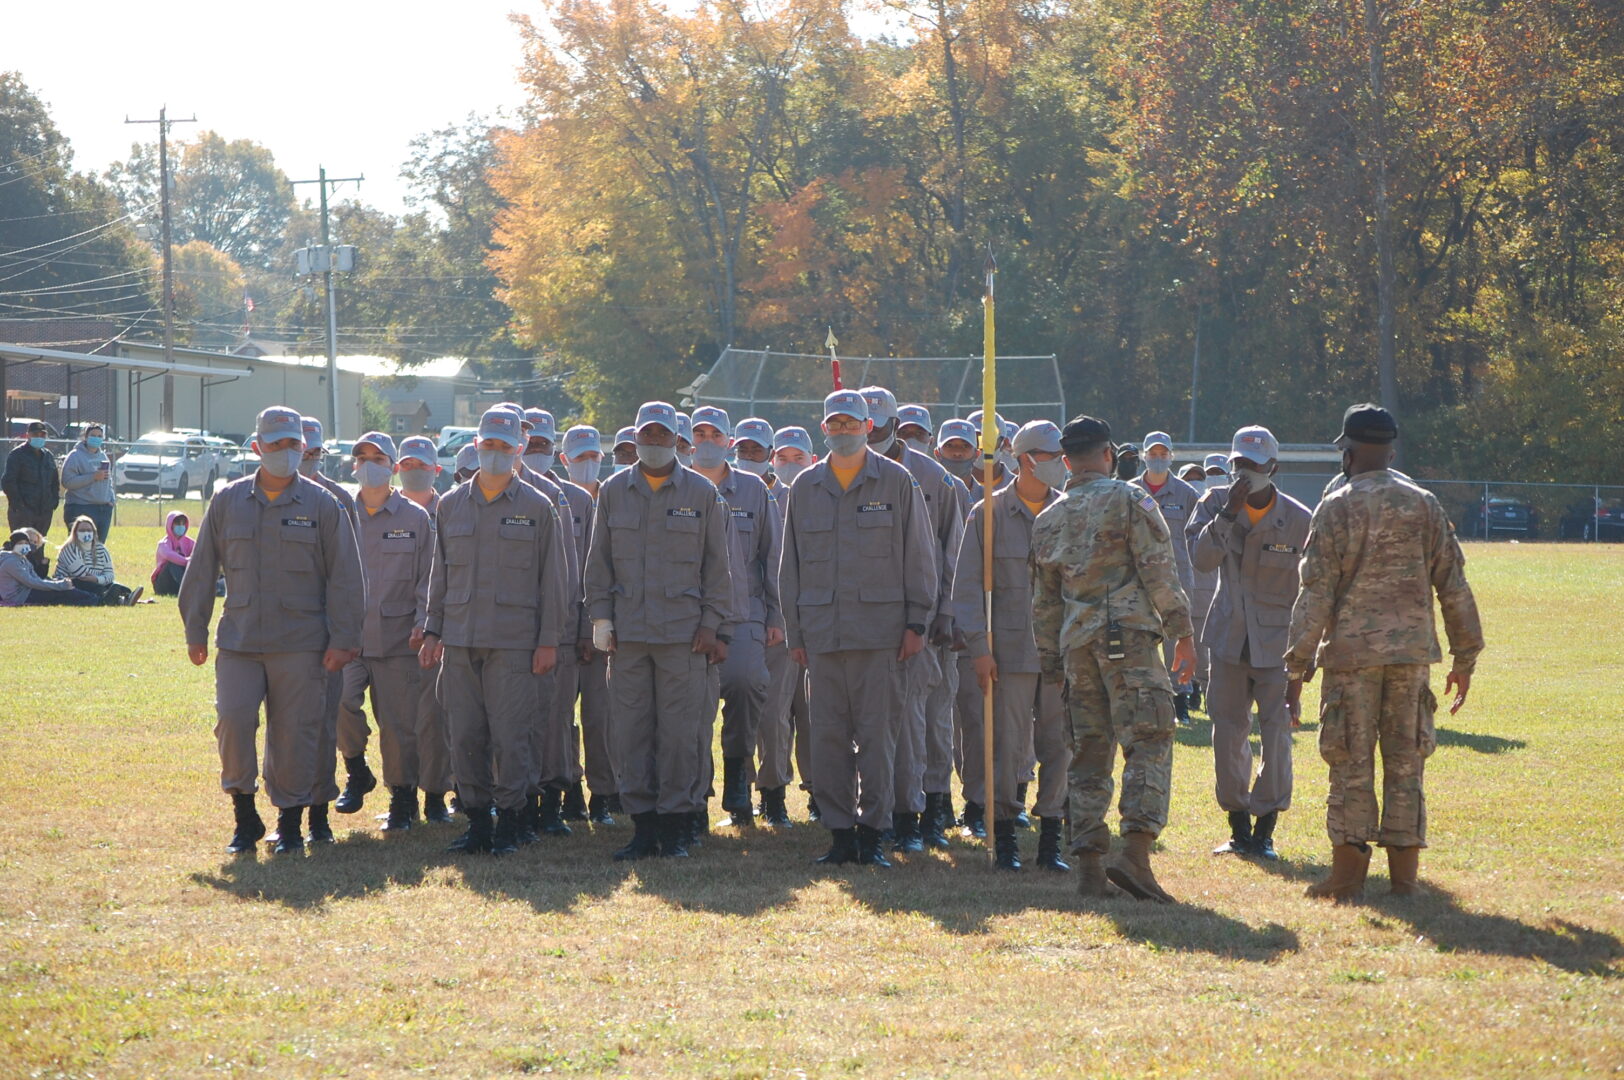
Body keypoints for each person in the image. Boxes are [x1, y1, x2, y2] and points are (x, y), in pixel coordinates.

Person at [1289, 404, 1484, 900]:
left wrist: (1297, 667)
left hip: (1352, 658)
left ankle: (1347, 879)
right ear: (1391, 451)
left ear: (1349, 454)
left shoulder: (1335, 506)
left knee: (1351, 761)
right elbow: (1454, 584)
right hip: (1411, 656)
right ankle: (1405, 882)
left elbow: (1316, 592)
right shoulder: (1424, 504)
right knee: (1406, 764)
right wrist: (1465, 657)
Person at [179, 406, 365, 856]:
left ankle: (290, 820)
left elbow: (346, 578)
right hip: (240, 640)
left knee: (294, 733)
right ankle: (245, 816)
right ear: (258, 446)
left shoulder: (324, 505)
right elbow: (201, 569)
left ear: (303, 447)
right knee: (233, 722)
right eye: (275, 443)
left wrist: (344, 640)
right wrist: (195, 630)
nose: (285, 452)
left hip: (302, 645)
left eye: (293, 444)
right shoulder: (227, 500)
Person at [1031, 415, 1195, 902]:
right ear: (1108, 455)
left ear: (1065, 462)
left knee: (1087, 753)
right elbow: (1158, 569)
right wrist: (1183, 632)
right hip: (1129, 640)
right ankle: (1136, 855)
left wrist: (1051, 662)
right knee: (1149, 739)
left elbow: (1044, 601)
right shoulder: (1129, 499)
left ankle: (1088, 869)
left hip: (1075, 644)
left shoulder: (1047, 518)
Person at [779, 389, 936, 868]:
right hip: (823, 638)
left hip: (881, 636)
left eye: (852, 423)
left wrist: (916, 623)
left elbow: (920, 558)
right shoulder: (805, 486)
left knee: (878, 739)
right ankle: (840, 835)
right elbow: (791, 568)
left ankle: (873, 835)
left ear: (870, 427)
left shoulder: (896, 481)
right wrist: (796, 635)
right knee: (826, 740)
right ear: (823, 428)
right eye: (835, 423)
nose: (843, 431)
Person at [583, 401, 734, 860]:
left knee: (681, 734)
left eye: (662, 435)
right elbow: (599, 562)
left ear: (678, 441)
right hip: (628, 637)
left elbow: (718, 568)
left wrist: (712, 625)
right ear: (634, 438)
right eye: (646, 435)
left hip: (683, 638)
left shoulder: (702, 494)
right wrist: (601, 619)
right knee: (631, 731)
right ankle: (643, 827)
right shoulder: (612, 491)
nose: (653, 442)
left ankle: (677, 823)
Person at [419, 406, 570, 855]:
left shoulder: (538, 506)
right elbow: (439, 575)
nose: (496, 453)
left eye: (506, 447)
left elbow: (554, 582)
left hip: (514, 643)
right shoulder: (450, 504)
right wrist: (432, 630)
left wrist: (548, 641)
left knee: (511, 735)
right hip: (461, 641)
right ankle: (477, 822)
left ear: (519, 449)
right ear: (476, 445)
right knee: (465, 735)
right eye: (489, 445)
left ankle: (511, 821)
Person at [952, 420, 1072, 871]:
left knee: (1059, 746)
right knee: (1006, 747)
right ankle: (1004, 835)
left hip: (1060, 654)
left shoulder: (1068, 512)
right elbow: (966, 590)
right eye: (1053, 458)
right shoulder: (987, 514)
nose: (1061, 466)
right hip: (1008, 655)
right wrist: (979, 650)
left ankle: (1050, 840)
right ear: (1026, 461)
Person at [1187, 426, 1311, 859]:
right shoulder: (1213, 503)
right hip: (1227, 640)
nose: (1244, 472)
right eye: (1238, 464)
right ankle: (1238, 827)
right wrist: (1228, 515)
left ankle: (1266, 830)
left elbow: (1310, 591)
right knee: (1228, 734)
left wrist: (1304, 660)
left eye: (1254, 466)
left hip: (1279, 645)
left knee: (1277, 736)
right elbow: (1201, 562)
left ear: (1273, 468)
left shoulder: (1298, 519)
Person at [860, 385, 962, 854]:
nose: (874, 433)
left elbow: (951, 552)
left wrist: (942, 613)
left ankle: (923, 812)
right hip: (862, 622)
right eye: (868, 426)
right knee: (869, 724)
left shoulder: (933, 477)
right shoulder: (841, 473)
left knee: (923, 722)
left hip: (919, 622)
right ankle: (870, 814)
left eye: (882, 427)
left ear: (896, 425)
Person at [338, 432, 444, 831]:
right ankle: (356, 768)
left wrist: (423, 621)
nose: (369, 463)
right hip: (348, 637)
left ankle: (403, 798)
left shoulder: (415, 519)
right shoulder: (340, 512)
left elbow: (427, 578)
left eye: (378, 457)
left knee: (399, 725)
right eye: (361, 456)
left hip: (399, 638)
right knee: (340, 704)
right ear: (353, 465)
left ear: (392, 465)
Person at [689, 405, 783, 830]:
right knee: (690, 707)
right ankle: (693, 793)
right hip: (686, 616)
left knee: (747, 687)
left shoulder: (753, 491)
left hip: (744, 614)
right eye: (700, 433)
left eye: (715, 434)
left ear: (729, 440)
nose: (707, 441)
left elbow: (773, 557)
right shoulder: (677, 486)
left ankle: (738, 781)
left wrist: (777, 615)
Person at [759, 425, 818, 821]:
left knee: (816, 715)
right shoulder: (763, 498)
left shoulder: (824, 497)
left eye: (799, 458)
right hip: (781, 622)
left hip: (820, 621)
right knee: (774, 713)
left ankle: (821, 793)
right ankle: (773, 794)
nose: (790, 465)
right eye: (783, 457)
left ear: (812, 460)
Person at [560, 424, 617, 823]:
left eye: (594, 456)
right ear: (565, 461)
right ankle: (568, 790)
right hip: (562, 629)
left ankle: (603, 794)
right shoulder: (554, 500)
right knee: (560, 719)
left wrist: (596, 626)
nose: (588, 463)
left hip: (604, 629)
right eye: (580, 457)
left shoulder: (617, 498)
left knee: (602, 719)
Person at [1130, 432, 1202, 724]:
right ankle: (1142, 703)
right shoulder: (1129, 491)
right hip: (1137, 582)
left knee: (1178, 643)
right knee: (1138, 642)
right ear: (1143, 455)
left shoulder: (1187, 494)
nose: (1158, 459)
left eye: (1163, 454)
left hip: (1176, 581)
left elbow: (1198, 536)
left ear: (1172, 456)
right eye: (1153, 454)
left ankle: (1180, 702)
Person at [1179, 462, 1217, 709]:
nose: (1194, 482)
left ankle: (1203, 689)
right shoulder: (1179, 503)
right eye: (1189, 478)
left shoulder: (1209, 509)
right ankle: (1184, 690)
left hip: (1205, 587)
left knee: (1203, 648)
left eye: (1198, 478)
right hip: (1180, 586)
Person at [55, 514, 142, 605]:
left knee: (113, 585)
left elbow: (110, 575)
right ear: (75, 532)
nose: (86, 533)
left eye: (89, 530)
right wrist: (101, 578)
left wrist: (97, 579)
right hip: (69, 583)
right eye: (82, 530)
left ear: (94, 532)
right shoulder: (69, 549)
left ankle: (122, 598)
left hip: (96, 583)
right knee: (87, 584)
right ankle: (122, 598)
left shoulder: (101, 549)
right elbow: (81, 574)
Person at [1, 529, 96, 606]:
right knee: (61, 592)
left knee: (64, 589)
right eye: (20, 543)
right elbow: (31, 582)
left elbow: (36, 578)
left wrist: (58, 583)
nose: (24, 546)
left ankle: (93, 598)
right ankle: (95, 600)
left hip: (27, 591)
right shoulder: (11, 562)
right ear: (13, 545)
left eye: (26, 543)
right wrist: (58, 585)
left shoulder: (22, 559)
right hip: (21, 596)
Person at [60, 423, 114, 541]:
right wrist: (93, 476)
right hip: (81, 507)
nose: (97, 438)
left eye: (100, 436)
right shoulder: (75, 456)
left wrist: (111, 500)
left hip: (103, 509)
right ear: (85, 436)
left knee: (99, 548)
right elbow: (67, 482)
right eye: (93, 435)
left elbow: (109, 481)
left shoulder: (103, 456)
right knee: (80, 547)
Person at [4, 421, 60, 536]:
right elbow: (8, 482)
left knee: (39, 548)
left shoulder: (48, 456)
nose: (39, 437)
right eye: (35, 434)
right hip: (23, 513)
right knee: (21, 547)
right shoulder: (17, 454)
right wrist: (19, 506)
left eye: (42, 434)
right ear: (28, 435)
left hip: (44, 512)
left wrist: (53, 502)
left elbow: (54, 481)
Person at [396, 436, 444, 511]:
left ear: (437, 470)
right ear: (397, 468)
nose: (415, 469)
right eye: (407, 464)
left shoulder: (448, 511)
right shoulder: (383, 511)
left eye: (423, 464)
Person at [152, 511, 194, 596]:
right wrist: (188, 561)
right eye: (178, 523)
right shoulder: (163, 544)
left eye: (183, 524)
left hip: (177, 583)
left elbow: (199, 553)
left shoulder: (190, 542)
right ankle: (188, 589)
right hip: (163, 585)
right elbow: (169, 555)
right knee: (172, 563)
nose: (181, 526)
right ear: (170, 525)